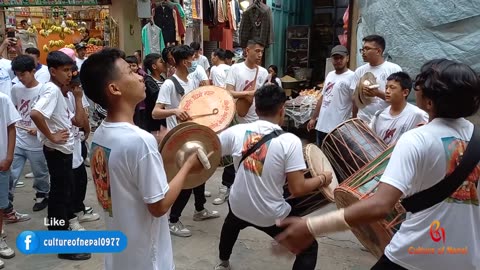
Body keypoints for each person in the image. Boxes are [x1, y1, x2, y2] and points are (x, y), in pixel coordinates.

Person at [275, 59, 480, 270]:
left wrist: (311, 225)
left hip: (413, 256)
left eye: (419, 88)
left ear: (429, 102)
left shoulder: (416, 139)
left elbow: (380, 205)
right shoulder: (476, 138)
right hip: (467, 258)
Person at [80, 47, 204, 270]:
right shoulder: (139, 141)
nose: (140, 76)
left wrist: (159, 148)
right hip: (146, 259)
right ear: (114, 88)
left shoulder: (101, 134)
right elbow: (159, 206)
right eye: (130, 72)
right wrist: (187, 166)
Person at [214, 84, 329, 270]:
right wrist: (323, 178)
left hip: (238, 205)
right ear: (282, 110)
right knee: (309, 247)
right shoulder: (289, 141)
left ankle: (223, 262)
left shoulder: (236, 132)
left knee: (232, 222)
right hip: (270, 215)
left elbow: (208, 151)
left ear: (256, 109)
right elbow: (297, 189)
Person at [30, 51, 91, 260]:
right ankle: (62, 244)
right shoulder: (52, 90)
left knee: (61, 196)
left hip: (63, 151)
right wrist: (52, 136)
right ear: (52, 71)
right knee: (59, 198)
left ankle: (60, 237)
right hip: (57, 152)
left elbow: (69, 120)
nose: (68, 75)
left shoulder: (59, 92)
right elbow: (36, 114)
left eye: (69, 70)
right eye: (64, 71)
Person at [152, 45, 218, 237]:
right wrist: (174, 111)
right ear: (183, 61)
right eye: (192, 59)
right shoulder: (169, 84)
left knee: (201, 172)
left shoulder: (190, 81)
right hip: (178, 138)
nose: (194, 62)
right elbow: (156, 112)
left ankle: (199, 210)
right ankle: (173, 220)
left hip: (194, 134)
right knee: (187, 181)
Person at [212, 39, 269, 205]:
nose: (259, 55)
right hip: (237, 120)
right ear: (247, 51)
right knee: (234, 157)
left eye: (261, 52)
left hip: (256, 121)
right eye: (257, 51)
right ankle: (226, 188)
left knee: (255, 159)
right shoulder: (235, 69)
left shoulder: (264, 72)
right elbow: (227, 92)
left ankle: (250, 193)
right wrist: (249, 93)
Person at [7, 55, 50, 220]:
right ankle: (7, 203)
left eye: (23, 74)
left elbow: (49, 114)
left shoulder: (45, 89)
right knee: (11, 173)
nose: (20, 78)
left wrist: (38, 128)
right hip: (18, 139)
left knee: (40, 172)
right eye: (17, 75)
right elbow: (14, 110)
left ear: (33, 71)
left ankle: (42, 194)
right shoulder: (16, 89)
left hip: (37, 142)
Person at [65, 64, 100, 225]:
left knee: (80, 179)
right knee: (70, 184)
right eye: (74, 85)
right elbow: (80, 118)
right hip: (65, 146)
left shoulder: (76, 93)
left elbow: (84, 115)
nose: (76, 88)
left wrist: (85, 132)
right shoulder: (62, 95)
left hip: (77, 141)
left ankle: (78, 208)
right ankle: (71, 216)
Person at [307, 45, 355, 146]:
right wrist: (313, 118)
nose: (338, 61)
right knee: (321, 156)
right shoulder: (330, 75)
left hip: (338, 128)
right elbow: (323, 97)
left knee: (334, 158)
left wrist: (354, 122)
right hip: (322, 125)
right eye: (335, 58)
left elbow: (355, 101)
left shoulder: (352, 77)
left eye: (341, 58)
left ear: (347, 58)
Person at [351, 35, 402, 122]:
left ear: (378, 51)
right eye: (362, 49)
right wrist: (354, 118)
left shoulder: (394, 69)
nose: (363, 52)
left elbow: (399, 99)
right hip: (363, 122)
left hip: (386, 121)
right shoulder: (359, 71)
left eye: (367, 49)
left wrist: (377, 93)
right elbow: (355, 99)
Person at [369, 72, 428, 145]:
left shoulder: (418, 114)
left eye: (392, 88)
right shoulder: (379, 114)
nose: (387, 91)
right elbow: (370, 138)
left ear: (405, 92)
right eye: (386, 87)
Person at [0, 92, 20, 268]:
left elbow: (11, 127)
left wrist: (9, 156)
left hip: (0, 163)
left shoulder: (2, 99)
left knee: (0, 204)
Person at [143, 53, 167, 133]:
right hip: (154, 124)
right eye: (161, 62)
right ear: (154, 66)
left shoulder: (163, 79)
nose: (164, 63)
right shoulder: (149, 81)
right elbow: (158, 98)